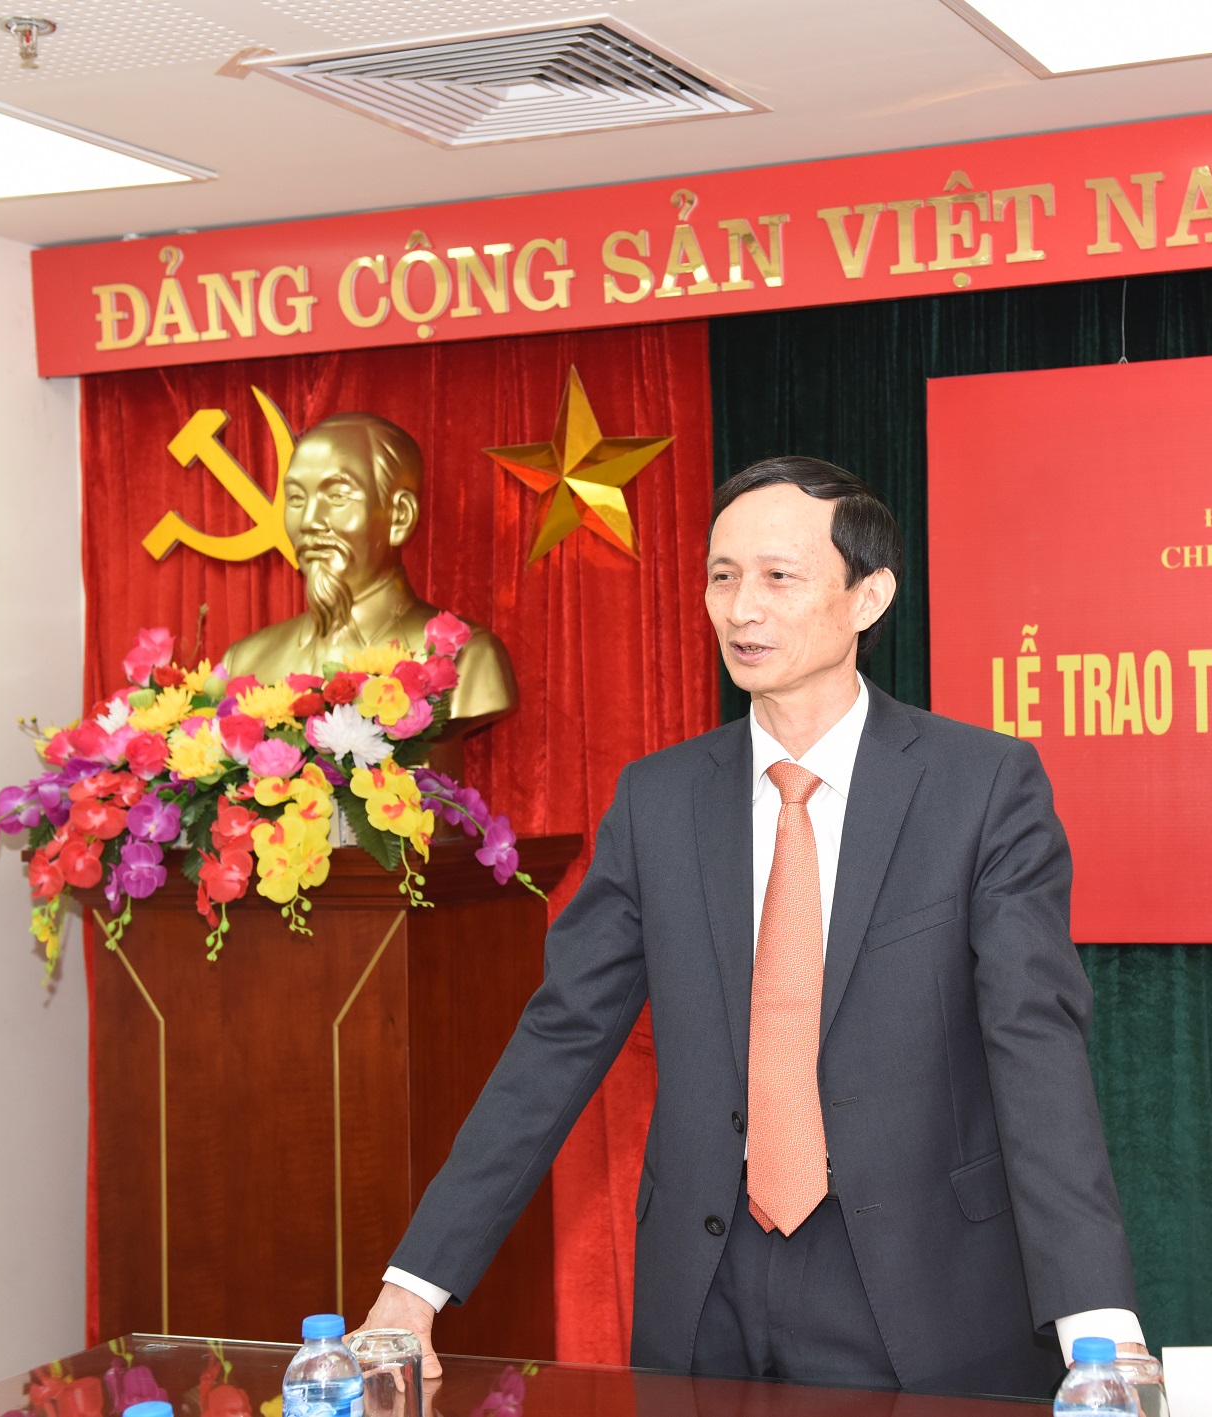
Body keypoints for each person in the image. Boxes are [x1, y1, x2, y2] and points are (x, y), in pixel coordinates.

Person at [359, 457, 1145, 1397]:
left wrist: (1097, 1326)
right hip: (705, 1288)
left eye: (778, 577)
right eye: (722, 576)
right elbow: (559, 1038)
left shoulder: (980, 787)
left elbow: (1034, 1043)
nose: (740, 609)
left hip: (922, 1284)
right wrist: (415, 1283)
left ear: (868, 596)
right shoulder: (658, 800)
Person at [221, 412, 516, 741]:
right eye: (297, 499)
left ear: (399, 516)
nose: (308, 522)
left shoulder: (466, 658)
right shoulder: (245, 664)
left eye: (337, 497)